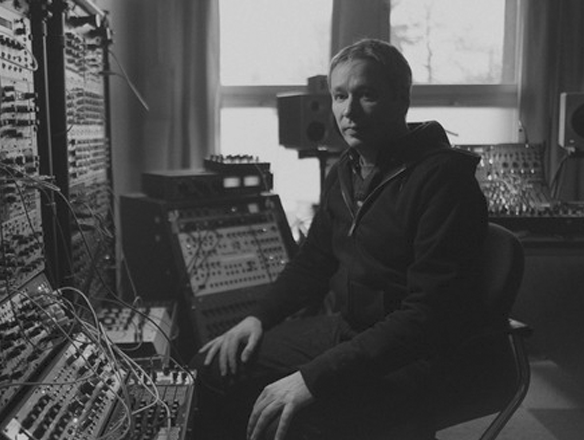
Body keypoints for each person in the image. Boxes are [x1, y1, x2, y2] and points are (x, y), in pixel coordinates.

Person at [191, 38, 488, 440]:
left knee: (298, 417)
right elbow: (313, 262)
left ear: (401, 99)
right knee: (214, 368)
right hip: (351, 331)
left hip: (414, 356)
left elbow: (428, 316)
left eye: (367, 95)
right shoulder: (346, 170)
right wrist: (257, 318)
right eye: (340, 96)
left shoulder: (444, 180)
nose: (348, 111)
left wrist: (312, 378)